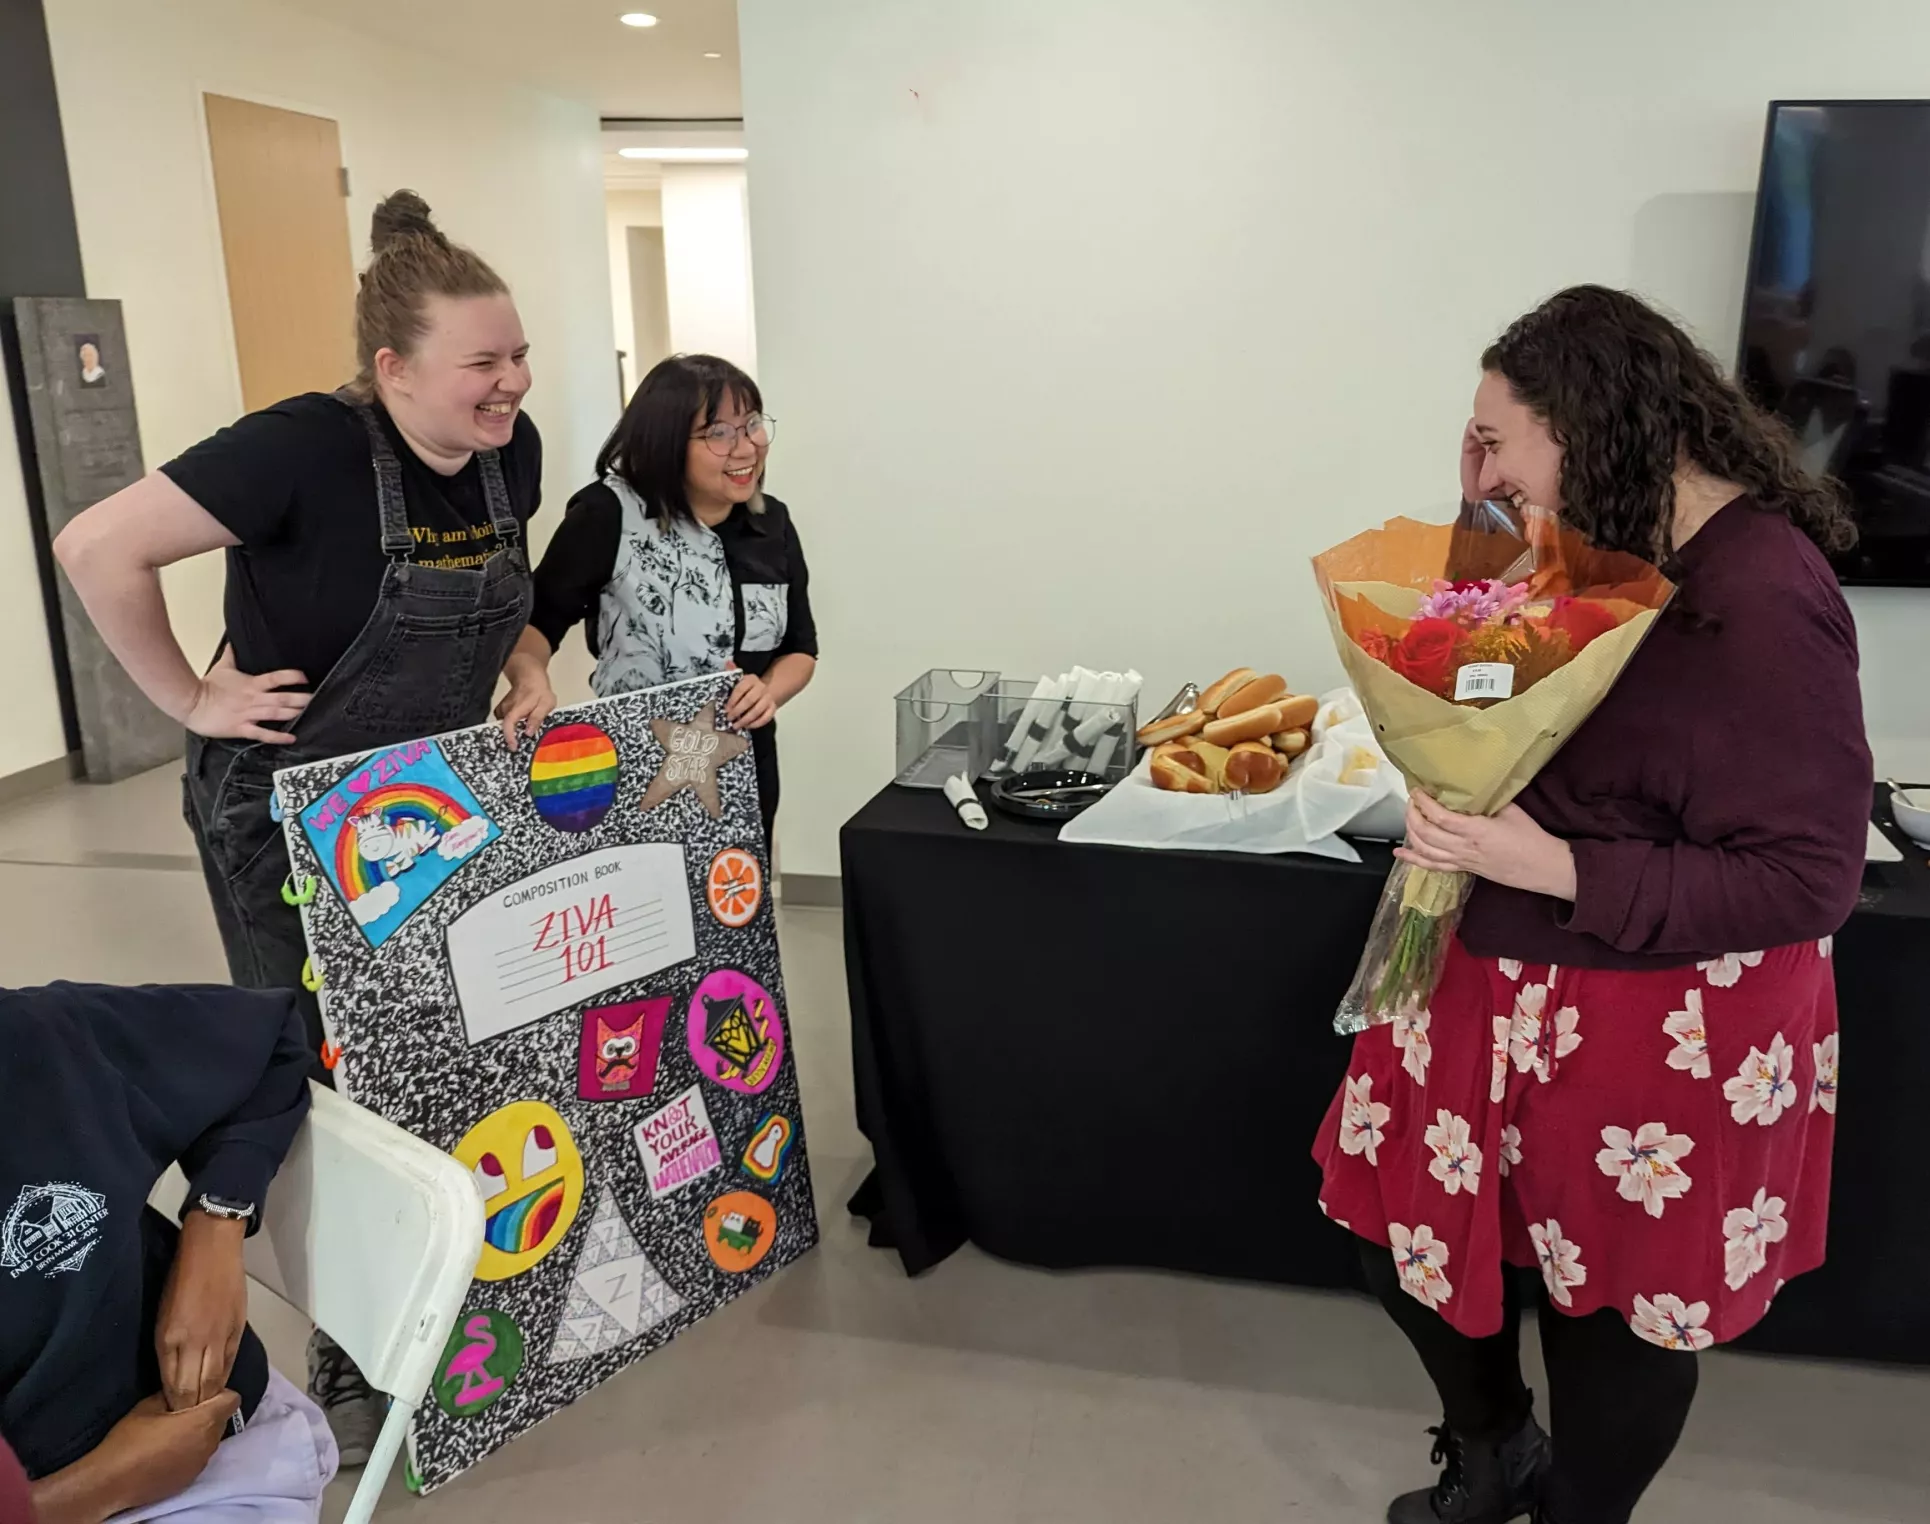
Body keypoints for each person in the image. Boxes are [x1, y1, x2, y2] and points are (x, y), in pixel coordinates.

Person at [1312, 286, 1871, 1524]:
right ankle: (1498, 1446)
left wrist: (1553, 866)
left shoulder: (1766, 592)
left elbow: (1810, 877)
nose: (1488, 460)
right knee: (1397, 1239)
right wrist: (1475, 514)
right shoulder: (1590, 536)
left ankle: (1579, 1513)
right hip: (1488, 977)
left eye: (1499, 436)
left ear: (1590, 425)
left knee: (1606, 1312)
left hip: (1654, 1028)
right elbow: (1487, 675)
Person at [51, 189, 541, 1463]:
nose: (512, 384)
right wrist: (186, 696)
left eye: (516, 356)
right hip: (282, 812)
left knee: (429, 1044)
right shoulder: (300, 449)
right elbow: (97, 543)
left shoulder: (510, 449)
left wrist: (532, 653)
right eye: (483, 363)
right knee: (312, 1063)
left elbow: (507, 595)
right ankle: (349, 1334)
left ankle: (433, 1273)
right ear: (393, 369)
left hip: (428, 801)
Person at [1, 982, 335, 1523]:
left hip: (209, 1460)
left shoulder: (39, 1040)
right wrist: (97, 1487)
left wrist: (215, 1221)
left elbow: (265, 1038)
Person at [498, 353, 817, 843]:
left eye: (752, 424)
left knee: (737, 905)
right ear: (667, 443)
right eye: (718, 433)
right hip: (635, 759)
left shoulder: (770, 523)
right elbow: (535, 625)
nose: (747, 446)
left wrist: (768, 691)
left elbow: (800, 649)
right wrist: (529, 677)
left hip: (741, 762)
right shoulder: (607, 514)